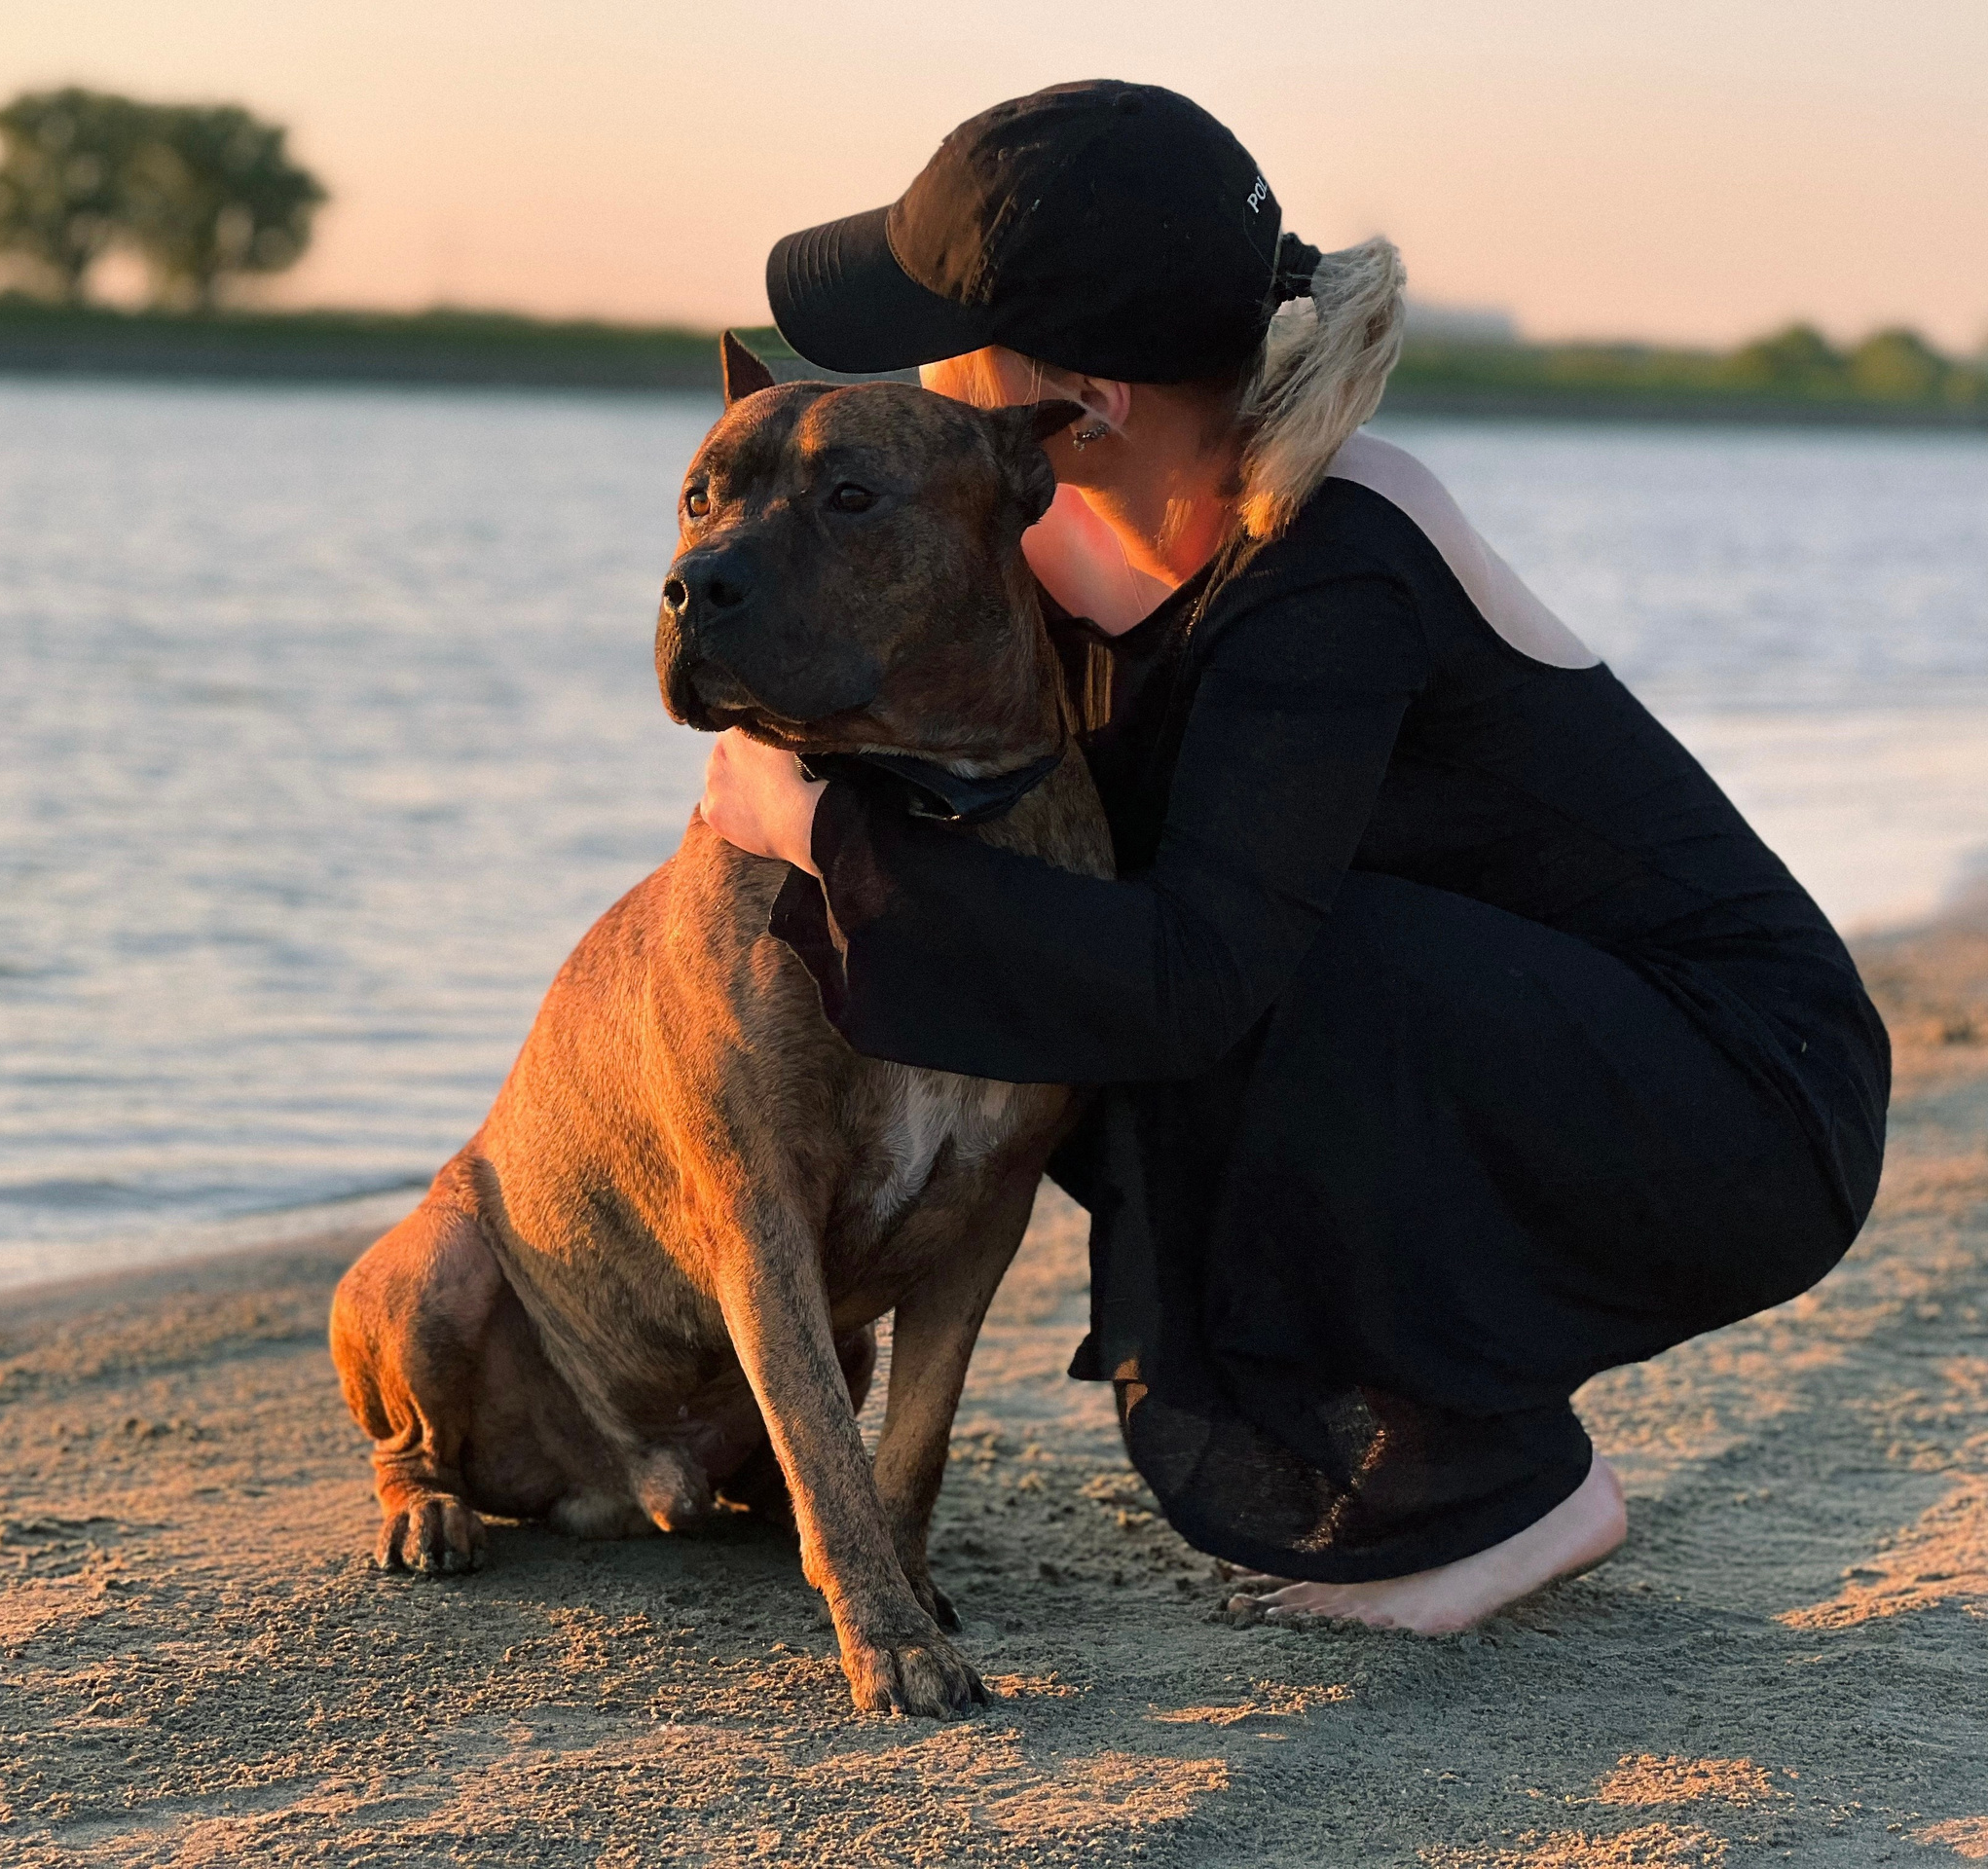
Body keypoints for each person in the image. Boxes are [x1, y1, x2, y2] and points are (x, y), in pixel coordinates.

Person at [698, 80, 1890, 1633]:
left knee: (1250, 965)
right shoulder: (1049, 542)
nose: (917, 372)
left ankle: (1505, 1501)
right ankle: (1447, 1458)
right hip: (1493, 1033)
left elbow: (1193, 984)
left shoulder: (1333, 553)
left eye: (940, 333)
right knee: (1124, 948)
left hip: (1735, 1095)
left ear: (1082, 404)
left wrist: (813, 828)